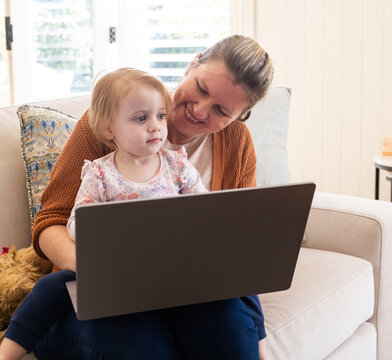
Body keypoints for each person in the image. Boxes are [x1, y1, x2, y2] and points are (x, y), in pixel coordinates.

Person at [3, 34, 273, 360]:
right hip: (103, 294)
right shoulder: (109, 122)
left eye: (221, 110)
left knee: (228, 328)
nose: (200, 110)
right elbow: (51, 222)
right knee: (141, 343)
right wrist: (99, 269)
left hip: (187, 293)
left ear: (239, 117)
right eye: (201, 89)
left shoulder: (236, 143)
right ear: (193, 63)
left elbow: (237, 241)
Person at [0, 67, 209, 360]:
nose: (155, 127)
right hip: (111, 268)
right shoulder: (99, 173)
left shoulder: (178, 167)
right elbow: (77, 220)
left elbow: (206, 212)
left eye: (161, 116)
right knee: (51, 286)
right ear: (109, 129)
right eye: (141, 118)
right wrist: (97, 236)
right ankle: (9, 349)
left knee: (236, 294)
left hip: (165, 270)